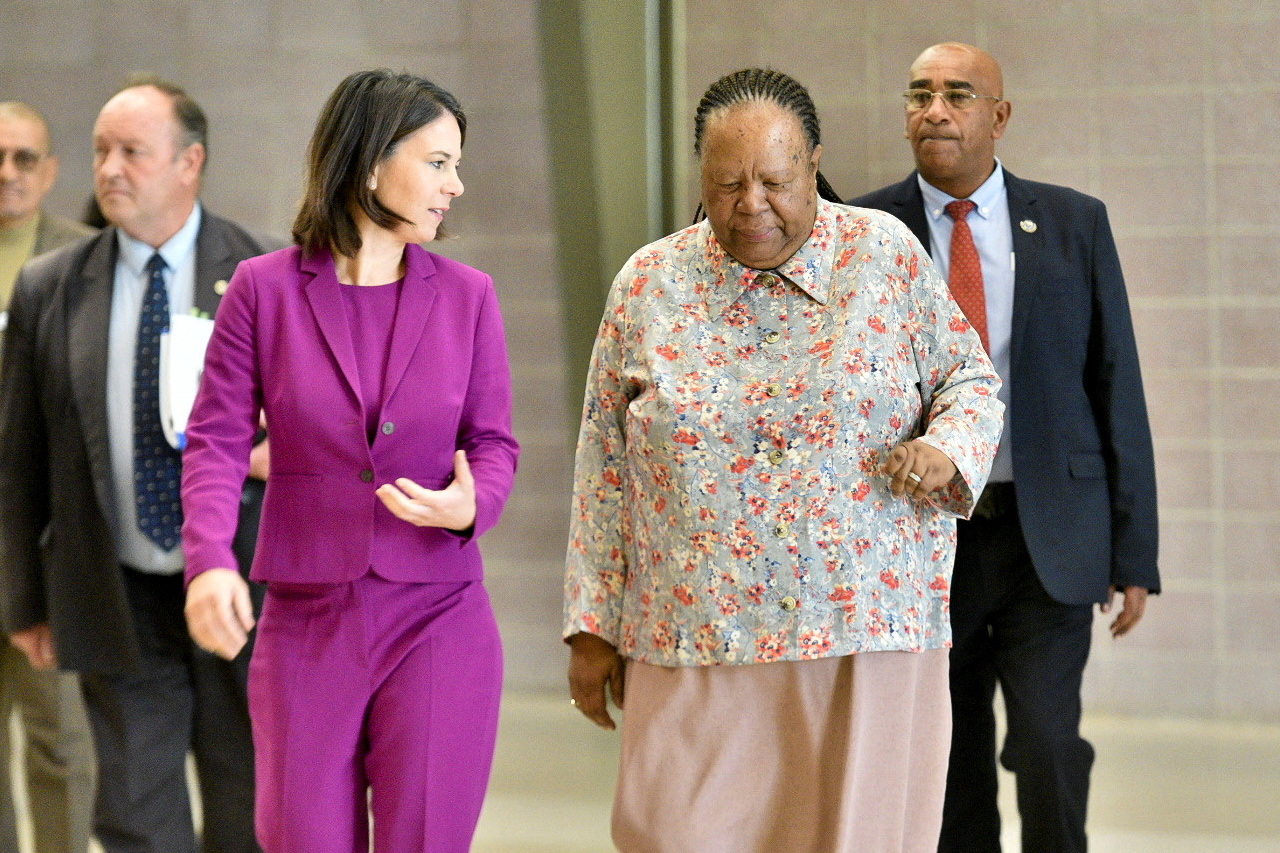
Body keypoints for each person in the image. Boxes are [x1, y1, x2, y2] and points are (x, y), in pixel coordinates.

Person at [564, 68, 1004, 853]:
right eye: (727, 183)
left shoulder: (881, 255)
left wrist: (947, 449)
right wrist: (592, 626)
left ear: (814, 164)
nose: (751, 203)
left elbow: (968, 377)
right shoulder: (650, 282)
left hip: (863, 628)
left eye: (774, 179)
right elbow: (604, 464)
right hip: (692, 632)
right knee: (672, 832)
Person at [181, 69, 519, 853]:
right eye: (438, 163)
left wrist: (472, 505)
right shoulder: (263, 292)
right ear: (371, 163)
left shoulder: (469, 296)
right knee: (298, 837)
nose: (455, 186)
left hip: (440, 614)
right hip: (305, 618)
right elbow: (218, 438)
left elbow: (494, 441)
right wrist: (207, 561)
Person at [849, 43, 1159, 853]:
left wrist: (1134, 550)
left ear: (1000, 115)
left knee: (1050, 744)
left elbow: (1114, 382)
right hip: (922, 541)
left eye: (958, 94)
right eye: (919, 94)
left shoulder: (1073, 222)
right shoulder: (867, 231)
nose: (935, 110)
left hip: (1044, 534)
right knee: (949, 759)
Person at [0, 79, 271, 853]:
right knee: (134, 813)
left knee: (246, 797)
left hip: (241, 589)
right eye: (100, 152)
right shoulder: (50, 287)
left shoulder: (262, 276)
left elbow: (315, 430)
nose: (110, 169)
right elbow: (19, 461)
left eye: (132, 152)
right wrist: (25, 599)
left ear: (190, 162)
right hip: (114, 590)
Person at [0, 100, 97, 853]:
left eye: (24, 158)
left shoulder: (85, 261)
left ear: (50, 170)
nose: (7, 172)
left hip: (42, 542)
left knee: (61, 741)